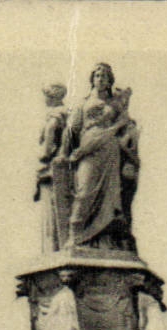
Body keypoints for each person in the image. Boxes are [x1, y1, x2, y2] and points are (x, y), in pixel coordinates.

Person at [60, 64, 139, 251]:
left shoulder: (115, 105)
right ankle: (76, 235)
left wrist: (116, 127)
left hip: (110, 151)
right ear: (92, 79)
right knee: (84, 191)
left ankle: (104, 239)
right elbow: (72, 130)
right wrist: (64, 152)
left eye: (104, 76)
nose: (101, 79)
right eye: (97, 75)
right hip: (88, 149)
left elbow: (126, 125)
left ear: (110, 80)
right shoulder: (83, 104)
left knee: (110, 197)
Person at [34, 82, 71, 252]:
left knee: (51, 212)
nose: (44, 99)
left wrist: (45, 154)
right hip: (62, 168)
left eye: (47, 95)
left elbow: (49, 138)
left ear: (53, 96)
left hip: (52, 169)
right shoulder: (65, 113)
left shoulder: (56, 115)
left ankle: (52, 249)